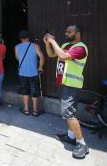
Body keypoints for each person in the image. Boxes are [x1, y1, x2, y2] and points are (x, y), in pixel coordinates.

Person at [44, 25, 89, 159]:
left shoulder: (81, 48)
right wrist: (48, 43)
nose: (66, 33)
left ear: (78, 34)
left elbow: (62, 55)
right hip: (63, 83)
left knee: (68, 113)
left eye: (69, 32)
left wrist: (52, 40)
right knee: (69, 113)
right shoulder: (65, 44)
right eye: (66, 31)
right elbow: (52, 54)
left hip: (71, 85)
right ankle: (70, 137)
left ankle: (82, 143)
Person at [15, 30, 45, 116]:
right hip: (33, 73)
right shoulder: (35, 46)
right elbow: (42, 57)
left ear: (20, 38)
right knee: (34, 91)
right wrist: (40, 67)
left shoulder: (17, 47)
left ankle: (26, 109)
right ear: (28, 37)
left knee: (25, 91)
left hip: (22, 73)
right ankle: (35, 111)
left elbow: (18, 58)